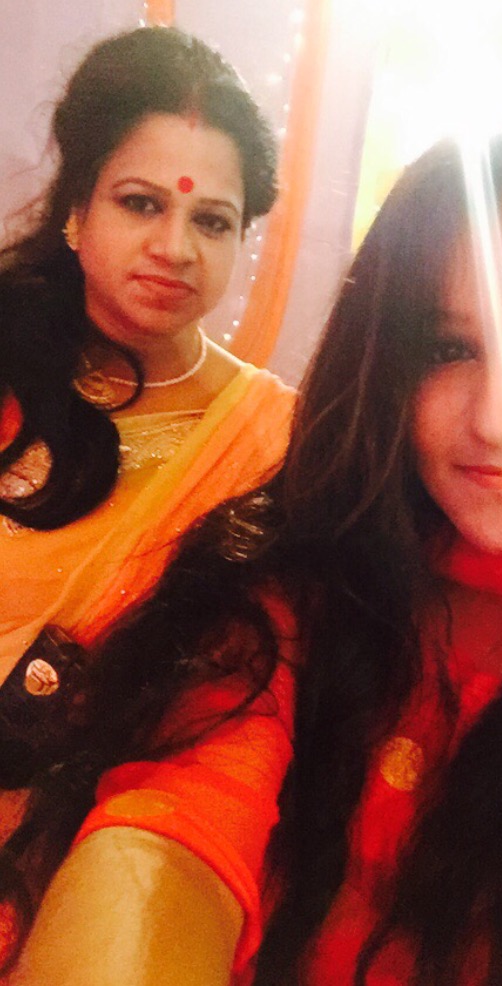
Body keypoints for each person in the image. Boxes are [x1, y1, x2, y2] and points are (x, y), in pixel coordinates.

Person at [9, 83, 502, 985]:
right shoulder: (309, 576)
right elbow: (174, 821)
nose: (500, 418)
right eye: (445, 348)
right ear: (76, 210)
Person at [0, 26, 295, 744]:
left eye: (212, 221)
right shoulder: (10, 358)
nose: (174, 248)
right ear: (77, 211)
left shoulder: (272, 439)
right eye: (140, 203)